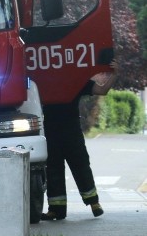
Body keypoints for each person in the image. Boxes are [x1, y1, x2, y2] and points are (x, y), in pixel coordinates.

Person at [40, 59, 118, 221]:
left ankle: (93, 203)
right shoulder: (45, 81)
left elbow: (101, 91)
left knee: (78, 165)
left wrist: (115, 73)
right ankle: (57, 209)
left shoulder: (73, 79)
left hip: (65, 130)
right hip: (56, 130)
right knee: (56, 168)